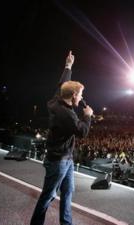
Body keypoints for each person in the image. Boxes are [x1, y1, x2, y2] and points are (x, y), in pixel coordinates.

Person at [31, 51, 93, 225]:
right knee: (48, 196)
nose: (81, 98)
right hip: (59, 161)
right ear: (73, 95)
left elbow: (62, 83)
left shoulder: (57, 98)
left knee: (68, 192)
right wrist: (87, 116)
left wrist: (68, 66)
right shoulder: (67, 115)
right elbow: (82, 132)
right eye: (80, 94)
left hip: (66, 158)